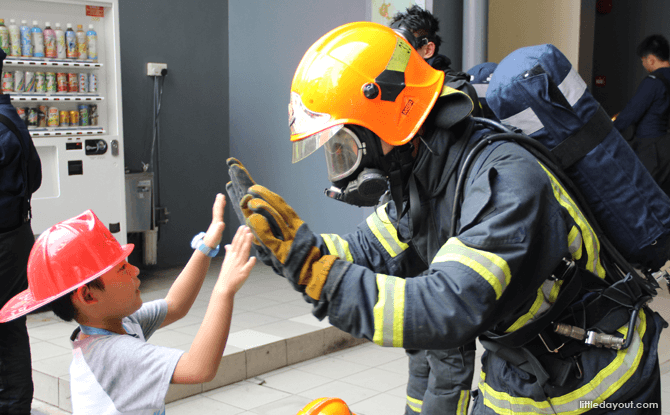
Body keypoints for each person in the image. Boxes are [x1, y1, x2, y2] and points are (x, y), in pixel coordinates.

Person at [228, 22, 663, 414]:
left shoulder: (505, 181)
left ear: (387, 124)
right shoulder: (423, 174)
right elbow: (365, 251)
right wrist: (284, 248)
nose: (341, 166)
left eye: (344, 146)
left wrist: (316, 274)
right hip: (519, 373)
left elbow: (446, 305)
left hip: (602, 380)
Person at [0, 194, 256, 414]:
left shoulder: (116, 324)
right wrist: (223, 290)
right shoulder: (111, 354)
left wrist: (206, 246)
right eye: (122, 269)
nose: (135, 270)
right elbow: (199, 368)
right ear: (88, 295)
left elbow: (175, 304)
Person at [0, 47, 42, 414]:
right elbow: (37, 178)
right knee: (10, 326)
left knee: (7, 328)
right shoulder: (10, 118)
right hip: (16, 237)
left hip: (3, 244)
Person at [390, 5, 481, 120]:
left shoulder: (455, 91)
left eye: (405, 47)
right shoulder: (391, 86)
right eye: (394, 46)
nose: (397, 55)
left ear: (428, 50)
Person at [614, 34, 670, 195]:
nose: (644, 64)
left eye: (643, 60)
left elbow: (632, 113)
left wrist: (610, 129)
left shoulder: (653, 81)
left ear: (651, 59)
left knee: (641, 194)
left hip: (650, 148)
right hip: (666, 144)